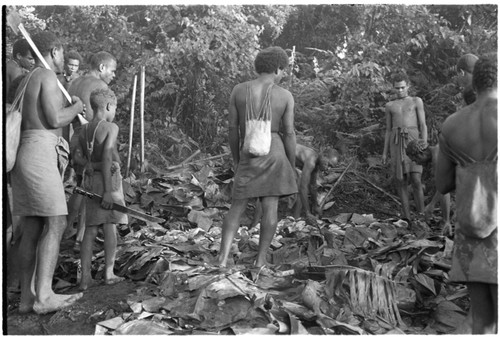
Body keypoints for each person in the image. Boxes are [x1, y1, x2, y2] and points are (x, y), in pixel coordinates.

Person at [10, 31, 85, 314]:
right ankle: (44, 296)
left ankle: (27, 299)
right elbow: (55, 118)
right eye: (62, 53)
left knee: (31, 227)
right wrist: (76, 106)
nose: (64, 59)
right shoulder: (47, 77)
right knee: (56, 223)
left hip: (24, 153)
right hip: (40, 153)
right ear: (54, 51)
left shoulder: (26, 79)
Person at [218, 46, 297, 268]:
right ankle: (260, 260)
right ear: (278, 68)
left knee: (237, 206)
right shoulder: (285, 96)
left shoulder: (239, 90)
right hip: (275, 152)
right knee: (270, 207)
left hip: (248, 151)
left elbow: (232, 129)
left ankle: (222, 258)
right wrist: (291, 164)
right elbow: (289, 133)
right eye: (284, 70)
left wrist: (236, 159)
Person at [436, 56, 497, 334]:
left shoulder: (452, 124)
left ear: (474, 81)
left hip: (469, 231)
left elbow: (443, 183)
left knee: (481, 321)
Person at [65, 51, 118, 248]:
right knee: (88, 187)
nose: (113, 76)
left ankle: (76, 232)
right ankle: (77, 233)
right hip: (92, 138)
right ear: (102, 67)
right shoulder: (100, 87)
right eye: (112, 71)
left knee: (81, 186)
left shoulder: (75, 82)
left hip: (76, 135)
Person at [77, 88, 126, 290]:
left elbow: (85, 160)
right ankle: (109, 272)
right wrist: (108, 190)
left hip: (90, 182)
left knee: (89, 229)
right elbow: (106, 157)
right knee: (109, 226)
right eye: (114, 108)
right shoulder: (110, 127)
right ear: (107, 107)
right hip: (107, 182)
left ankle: (85, 278)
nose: (114, 112)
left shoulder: (84, 130)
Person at [252, 144, 340, 226]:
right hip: (275, 155)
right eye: (329, 164)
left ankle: (295, 221)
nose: (328, 168)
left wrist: (315, 205)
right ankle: (254, 226)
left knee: (299, 187)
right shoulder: (311, 160)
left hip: (283, 159)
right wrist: (307, 212)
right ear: (324, 155)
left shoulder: (315, 164)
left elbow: (312, 186)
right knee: (267, 193)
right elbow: (303, 187)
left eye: (331, 167)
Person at [382, 72, 427, 221]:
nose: (400, 91)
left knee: (416, 179)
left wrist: (424, 143)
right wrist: (384, 152)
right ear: (393, 88)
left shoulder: (416, 101)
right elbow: (388, 130)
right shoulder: (390, 105)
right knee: (400, 181)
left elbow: (422, 124)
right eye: (397, 88)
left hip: (413, 139)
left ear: (408, 85)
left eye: (402, 87)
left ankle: (422, 216)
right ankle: (407, 218)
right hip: (396, 142)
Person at [406, 139, 451, 236]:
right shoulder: (437, 151)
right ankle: (446, 221)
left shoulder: (437, 157)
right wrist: (446, 220)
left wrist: (431, 205)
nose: (417, 163)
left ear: (420, 153)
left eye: (415, 160)